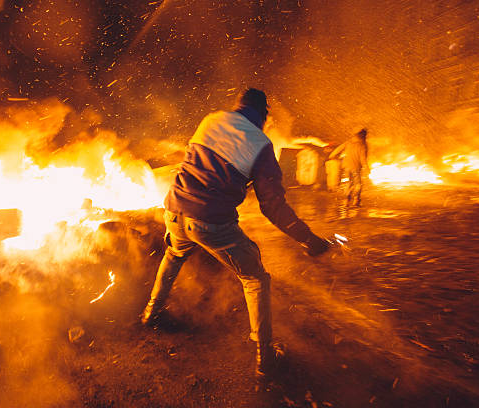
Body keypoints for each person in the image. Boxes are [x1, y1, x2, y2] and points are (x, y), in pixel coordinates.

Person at [140, 88, 333, 378]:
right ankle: (266, 359)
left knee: (174, 254)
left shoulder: (211, 120)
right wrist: (310, 240)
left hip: (173, 210)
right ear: (264, 114)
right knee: (255, 278)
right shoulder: (261, 144)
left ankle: (150, 314)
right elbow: (273, 207)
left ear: (237, 106)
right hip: (209, 222)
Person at [329, 128, 370, 207]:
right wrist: (367, 168)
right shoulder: (362, 145)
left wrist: (332, 155)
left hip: (346, 166)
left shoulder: (348, 142)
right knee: (358, 184)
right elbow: (363, 158)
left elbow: (338, 149)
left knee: (348, 183)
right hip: (356, 167)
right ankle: (356, 200)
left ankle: (346, 201)